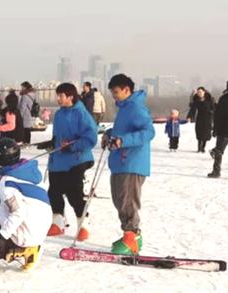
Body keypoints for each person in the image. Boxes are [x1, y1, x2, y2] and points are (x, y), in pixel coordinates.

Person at [0, 137, 52, 272]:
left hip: (25, 234)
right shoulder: (29, 172)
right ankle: (31, 248)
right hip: (40, 231)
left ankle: (5, 248)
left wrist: (1, 238)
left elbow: (19, 211)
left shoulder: (5, 183)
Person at [101, 74, 155, 255]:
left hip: (132, 162)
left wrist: (122, 141)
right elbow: (122, 130)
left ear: (126, 89)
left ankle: (133, 237)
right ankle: (128, 234)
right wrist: (109, 135)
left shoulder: (135, 107)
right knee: (120, 200)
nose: (113, 96)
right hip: (120, 162)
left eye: (116, 92)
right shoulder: (124, 109)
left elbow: (148, 132)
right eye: (112, 92)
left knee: (127, 201)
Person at [37, 83, 97, 239]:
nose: (57, 98)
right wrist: (51, 143)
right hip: (58, 160)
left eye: (60, 95)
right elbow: (58, 136)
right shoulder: (59, 114)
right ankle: (58, 222)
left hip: (77, 159)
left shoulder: (81, 114)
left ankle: (84, 223)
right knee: (54, 192)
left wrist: (72, 146)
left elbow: (91, 138)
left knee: (74, 193)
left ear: (70, 97)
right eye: (57, 95)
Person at [186, 87, 215, 153]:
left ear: (204, 92)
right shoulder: (196, 100)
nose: (199, 93)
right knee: (199, 133)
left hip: (208, 118)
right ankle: (199, 147)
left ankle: (203, 147)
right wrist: (190, 116)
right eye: (198, 92)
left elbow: (214, 108)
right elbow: (193, 109)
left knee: (206, 134)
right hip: (200, 118)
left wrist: (213, 114)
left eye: (201, 92)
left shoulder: (209, 99)